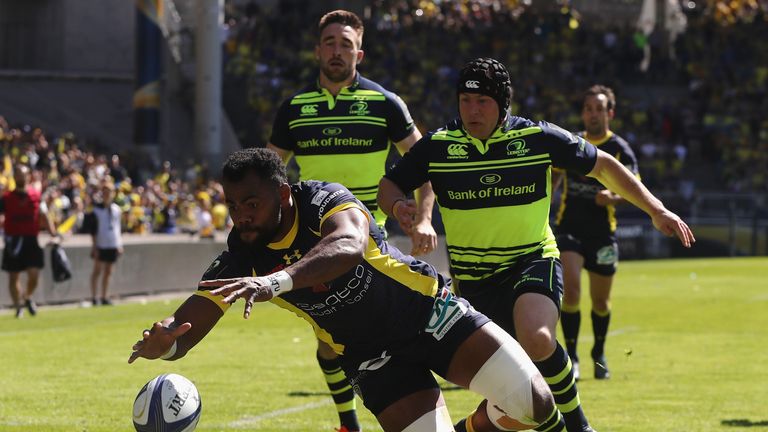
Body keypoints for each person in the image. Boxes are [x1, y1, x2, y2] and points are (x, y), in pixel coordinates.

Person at [128, 147, 567, 432]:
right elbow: (196, 313)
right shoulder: (242, 253)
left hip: (429, 315)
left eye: (251, 204)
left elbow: (349, 246)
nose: (240, 216)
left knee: (536, 405)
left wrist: (275, 281)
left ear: (282, 196)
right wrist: (168, 341)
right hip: (370, 358)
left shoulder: (323, 199)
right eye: (234, 205)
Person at [378, 58, 695, 432]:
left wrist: (656, 210)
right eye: (465, 100)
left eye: (482, 101)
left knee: (538, 338)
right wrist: (399, 206)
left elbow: (605, 165)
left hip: (532, 261)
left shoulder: (536, 138)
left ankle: (577, 425)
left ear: (502, 103)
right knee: (512, 399)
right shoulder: (438, 146)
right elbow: (390, 185)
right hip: (474, 280)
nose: (472, 110)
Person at [266, 10, 437, 431]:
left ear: (359, 52)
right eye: (330, 42)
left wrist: (425, 220)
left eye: (345, 44)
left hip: (369, 238)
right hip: (315, 241)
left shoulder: (386, 104)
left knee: (375, 331)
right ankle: (350, 420)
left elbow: (424, 166)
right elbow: (268, 173)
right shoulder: (293, 109)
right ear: (317, 50)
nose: (337, 51)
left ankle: (409, 409)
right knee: (331, 343)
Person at [551, 85, 639, 381]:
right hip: (570, 229)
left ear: (609, 113)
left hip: (602, 234)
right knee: (572, 291)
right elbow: (553, 178)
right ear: (583, 113)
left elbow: (633, 190)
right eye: (588, 108)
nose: (593, 113)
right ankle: (572, 357)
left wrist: (612, 196)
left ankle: (598, 353)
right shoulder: (572, 143)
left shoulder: (620, 150)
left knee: (601, 302)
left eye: (599, 108)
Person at [1, 164, 58, 318]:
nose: (21, 177)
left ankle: (26, 297)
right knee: (14, 276)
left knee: (34, 274)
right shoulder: (6, 198)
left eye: (23, 174)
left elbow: (44, 214)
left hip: (31, 239)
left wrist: (53, 232)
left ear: (28, 177)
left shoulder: (36, 196)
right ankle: (18, 306)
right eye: (18, 174)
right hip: (13, 240)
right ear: (14, 177)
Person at [84, 181, 124, 306]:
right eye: (105, 192)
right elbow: (93, 230)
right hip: (101, 244)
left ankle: (104, 296)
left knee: (108, 271)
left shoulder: (116, 209)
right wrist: (94, 246)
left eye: (109, 192)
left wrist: (119, 244)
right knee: (97, 271)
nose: (107, 195)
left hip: (112, 243)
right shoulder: (96, 210)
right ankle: (94, 296)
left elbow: (118, 228)